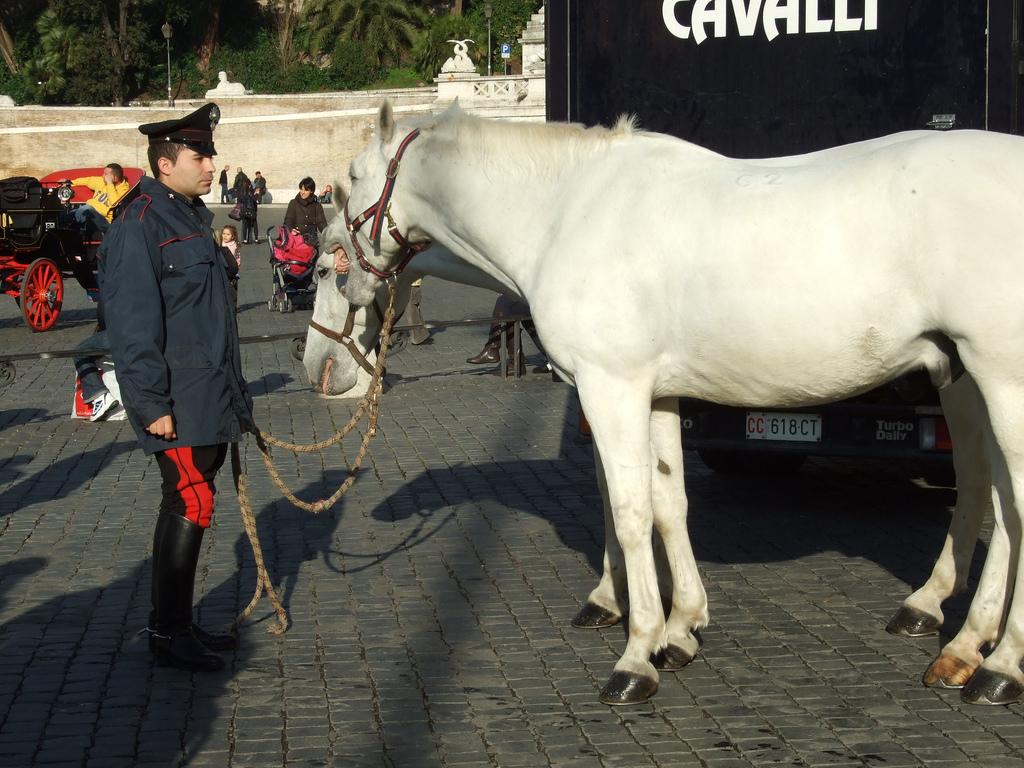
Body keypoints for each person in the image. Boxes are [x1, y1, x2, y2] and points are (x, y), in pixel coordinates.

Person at [98, 102, 253, 673]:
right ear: (166, 164)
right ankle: (168, 633)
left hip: (207, 394)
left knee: (189, 498)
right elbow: (133, 325)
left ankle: (177, 624)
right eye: (200, 155)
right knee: (191, 499)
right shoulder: (139, 224)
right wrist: (150, 404)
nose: (212, 163)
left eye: (210, 153)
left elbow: (202, 313)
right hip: (176, 401)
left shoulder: (187, 217)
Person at [467, 294, 550, 375]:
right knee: (509, 303)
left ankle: (495, 351)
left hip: (558, 348)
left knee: (507, 304)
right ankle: (514, 362)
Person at [70, 164, 130, 235]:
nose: (102, 176)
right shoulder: (102, 181)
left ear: (115, 178)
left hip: (105, 221)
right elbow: (88, 180)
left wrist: (109, 183)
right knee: (65, 215)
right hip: (90, 213)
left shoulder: (124, 190)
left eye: (106, 174)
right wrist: (70, 182)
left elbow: (114, 203)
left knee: (85, 210)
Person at [283, 176, 327, 250]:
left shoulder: (317, 205)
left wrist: (329, 234)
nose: (302, 192)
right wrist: (291, 229)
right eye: (301, 189)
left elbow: (322, 224)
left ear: (312, 191)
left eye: (306, 190)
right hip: (296, 242)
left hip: (312, 243)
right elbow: (288, 220)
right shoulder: (293, 203)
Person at [237, 176, 258, 244]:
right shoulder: (251, 191)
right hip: (252, 210)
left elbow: (239, 201)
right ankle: (255, 239)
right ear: (249, 184)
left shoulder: (241, 191)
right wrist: (256, 194)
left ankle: (245, 239)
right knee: (254, 224)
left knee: (244, 225)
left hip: (244, 210)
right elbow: (255, 200)